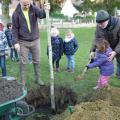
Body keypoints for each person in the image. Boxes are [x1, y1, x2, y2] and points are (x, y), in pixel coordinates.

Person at [12, 0, 50, 86]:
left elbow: (42, 15)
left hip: (35, 41)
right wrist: (15, 42)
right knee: (23, 62)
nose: (27, 6)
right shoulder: (16, 14)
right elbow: (14, 29)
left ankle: (38, 79)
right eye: (25, 5)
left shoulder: (33, 8)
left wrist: (46, 10)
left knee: (37, 61)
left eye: (28, 4)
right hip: (23, 42)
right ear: (21, 3)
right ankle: (23, 82)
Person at [90, 10, 120, 79]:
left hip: (118, 45)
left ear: (108, 19)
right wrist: (92, 50)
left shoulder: (118, 23)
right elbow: (96, 38)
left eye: (102, 23)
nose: (100, 25)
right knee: (105, 61)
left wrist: (115, 51)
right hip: (106, 48)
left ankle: (118, 74)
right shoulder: (99, 26)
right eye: (98, 23)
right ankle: (105, 77)